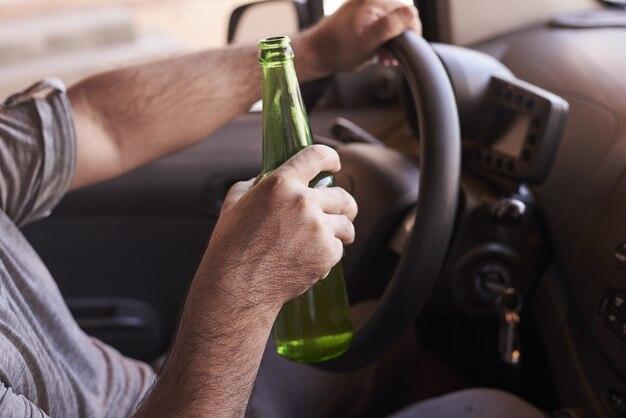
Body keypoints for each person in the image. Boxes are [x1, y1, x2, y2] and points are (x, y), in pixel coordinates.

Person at [0, 0, 547, 416]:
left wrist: (315, 50)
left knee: (394, 344)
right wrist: (245, 287)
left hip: (157, 388)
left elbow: (101, 123)